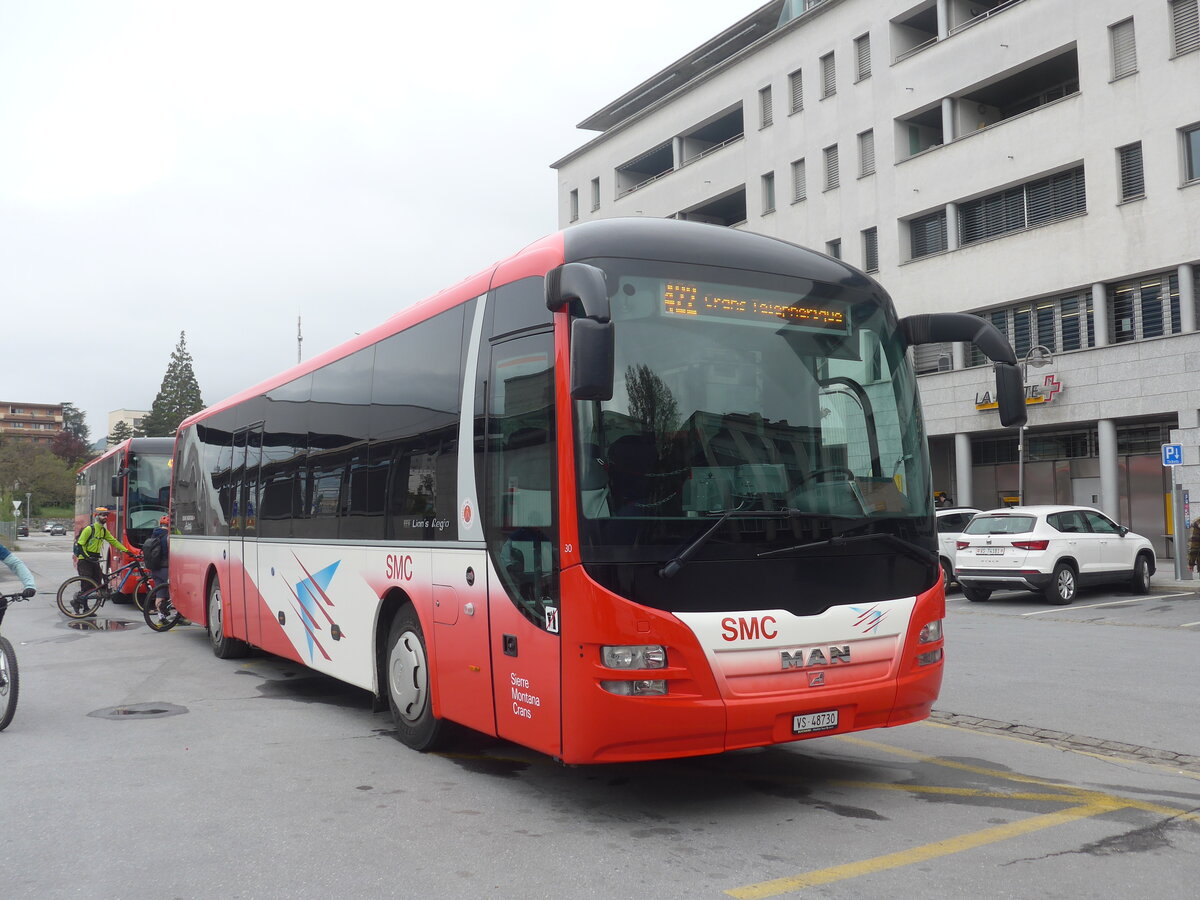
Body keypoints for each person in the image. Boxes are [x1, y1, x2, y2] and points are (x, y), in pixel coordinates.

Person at [73, 507, 130, 607]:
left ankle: (85, 606)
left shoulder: (103, 531)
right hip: (85, 560)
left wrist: (127, 551)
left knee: (98, 583)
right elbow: (80, 544)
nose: (105, 518)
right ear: (96, 516)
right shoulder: (89, 529)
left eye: (106, 516)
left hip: (94, 560)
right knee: (86, 584)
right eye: (103, 515)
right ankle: (82, 605)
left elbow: (113, 541)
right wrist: (86, 557)